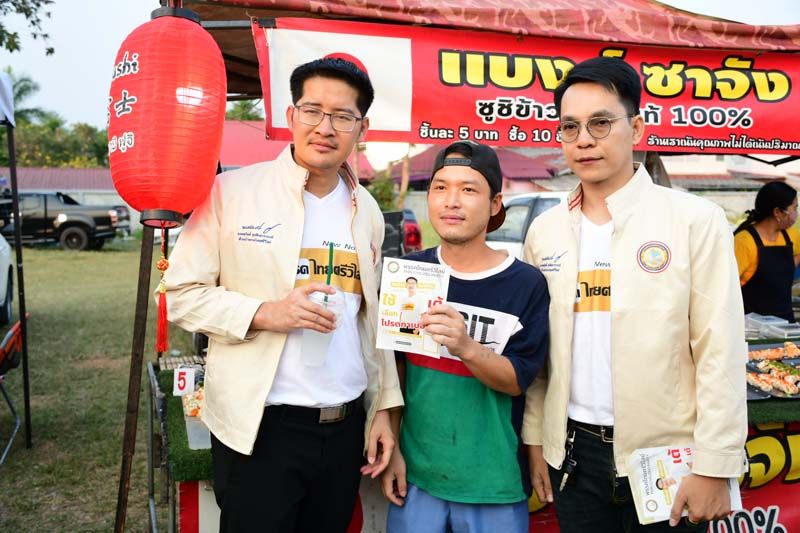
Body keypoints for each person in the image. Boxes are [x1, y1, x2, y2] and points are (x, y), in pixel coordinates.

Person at [163, 56, 402, 533]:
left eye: (343, 116)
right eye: (312, 110)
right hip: (261, 429)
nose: (325, 127)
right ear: (291, 116)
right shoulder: (231, 193)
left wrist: (384, 410)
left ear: (362, 128)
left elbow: (371, 322)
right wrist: (266, 313)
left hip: (343, 428)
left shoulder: (368, 211)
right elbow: (179, 294)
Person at [522, 57, 747, 532]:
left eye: (601, 123)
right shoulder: (545, 231)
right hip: (574, 457)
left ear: (637, 128)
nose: (584, 140)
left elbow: (721, 349)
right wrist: (538, 439)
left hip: (671, 458)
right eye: (570, 127)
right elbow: (541, 353)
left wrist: (715, 464)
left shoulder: (694, 221)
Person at [381, 141, 550, 533]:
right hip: (417, 477)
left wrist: (466, 347)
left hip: (494, 482)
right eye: (440, 188)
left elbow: (518, 380)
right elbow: (394, 374)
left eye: (469, 189)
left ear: (495, 204)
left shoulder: (525, 283)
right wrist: (393, 447)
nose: (451, 201)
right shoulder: (409, 273)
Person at [734, 181, 799, 322]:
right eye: (794, 208)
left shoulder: (791, 235)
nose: (796, 214)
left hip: (786, 325)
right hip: (752, 327)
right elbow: (727, 287)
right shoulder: (744, 241)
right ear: (777, 212)